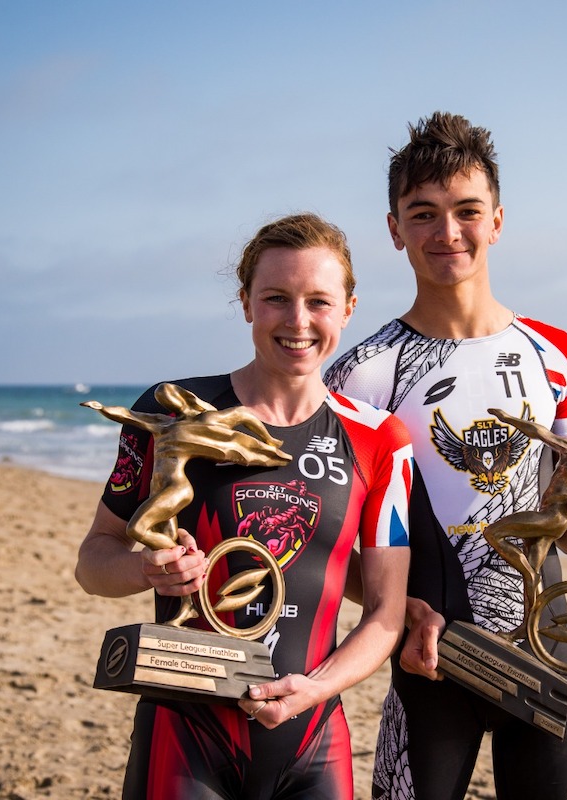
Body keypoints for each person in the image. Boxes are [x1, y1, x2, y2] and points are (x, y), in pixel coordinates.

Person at [324, 112, 567, 800]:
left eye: (467, 211)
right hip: (428, 665)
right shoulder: (361, 376)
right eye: (424, 214)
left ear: (498, 220)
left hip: (547, 652)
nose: (448, 232)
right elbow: (331, 548)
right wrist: (399, 611)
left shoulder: (559, 360)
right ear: (394, 229)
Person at [77, 213, 414, 800]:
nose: (298, 321)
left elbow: (386, 613)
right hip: (186, 737)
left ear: (349, 308)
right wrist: (144, 570)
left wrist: (314, 688)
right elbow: (93, 561)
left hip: (312, 741)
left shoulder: (380, 440)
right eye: (276, 298)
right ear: (246, 303)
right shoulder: (173, 410)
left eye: (319, 301)